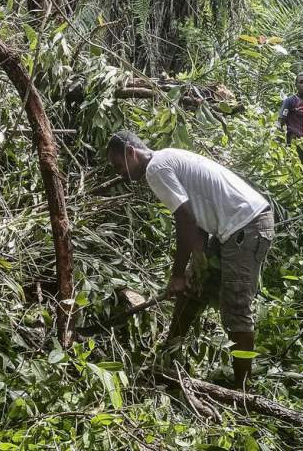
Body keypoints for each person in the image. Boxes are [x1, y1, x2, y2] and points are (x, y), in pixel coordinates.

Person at [105, 131, 274, 388]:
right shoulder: (166, 159)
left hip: (245, 226)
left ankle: (242, 389)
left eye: (119, 165)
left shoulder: (156, 169)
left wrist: (177, 274)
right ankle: (166, 360)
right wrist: (196, 264)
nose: (121, 174)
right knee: (194, 290)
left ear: (131, 151)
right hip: (233, 227)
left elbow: (185, 219)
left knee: (235, 307)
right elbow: (195, 219)